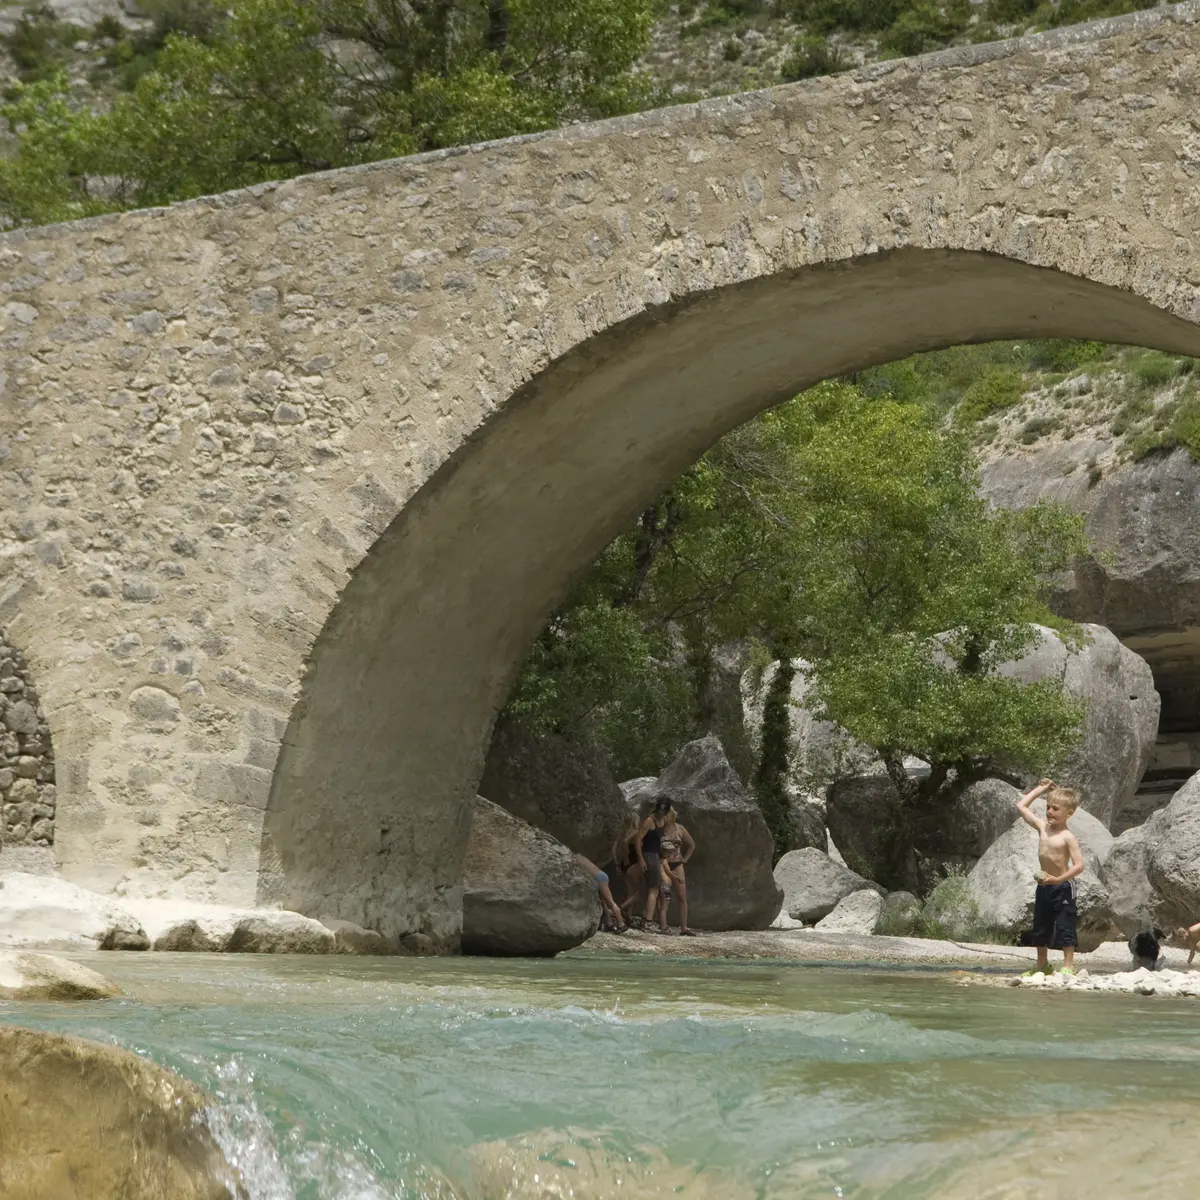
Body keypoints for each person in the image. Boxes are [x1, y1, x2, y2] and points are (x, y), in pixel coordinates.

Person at [1016, 778, 1085, 977]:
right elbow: (1021, 805)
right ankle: (1042, 965)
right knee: (1040, 926)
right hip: (1044, 886)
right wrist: (1042, 788)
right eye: (1048, 807)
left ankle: (1068, 965)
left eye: (1055, 809)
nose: (1049, 812)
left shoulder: (1068, 837)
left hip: (1063, 886)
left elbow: (1079, 865)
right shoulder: (1042, 827)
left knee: (1065, 924)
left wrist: (1058, 879)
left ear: (1069, 813)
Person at [659, 806, 697, 937]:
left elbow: (691, 844)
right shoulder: (659, 828)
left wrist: (685, 859)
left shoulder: (679, 828)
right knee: (664, 895)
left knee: (682, 896)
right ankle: (663, 925)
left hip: (677, 863)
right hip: (663, 863)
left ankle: (684, 927)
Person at [637, 798, 671, 931]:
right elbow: (638, 838)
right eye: (660, 810)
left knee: (653, 888)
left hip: (656, 856)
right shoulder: (650, 820)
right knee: (654, 889)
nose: (661, 812)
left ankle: (646, 918)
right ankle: (648, 922)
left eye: (664, 810)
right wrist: (640, 858)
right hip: (649, 855)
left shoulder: (663, 821)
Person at [574, 854, 626, 933]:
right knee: (602, 901)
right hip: (601, 875)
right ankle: (609, 923)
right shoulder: (579, 856)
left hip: (599, 878)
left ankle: (621, 924)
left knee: (611, 902)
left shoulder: (575, 859)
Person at [611, 812, 644, 921]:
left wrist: (617, 862)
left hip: (622, 864)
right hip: (632, 862)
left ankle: (627, 916)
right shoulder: (635, 832)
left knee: (630, 891)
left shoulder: (622, 833)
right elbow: (626, 842)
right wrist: (626, 857)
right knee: (637, 893)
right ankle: (622, 910)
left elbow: (613, 849)